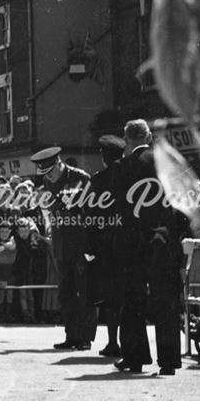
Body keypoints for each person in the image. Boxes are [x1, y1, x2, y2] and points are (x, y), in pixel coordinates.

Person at [112, 119, 183, 376]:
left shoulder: (122, 166)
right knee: (166, 298)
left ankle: (135, 356)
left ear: (125, 139)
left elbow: (117, 207)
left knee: (132, 299)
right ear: (149, 136)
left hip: (133, 240)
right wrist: (173, 231)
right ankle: (169, 360)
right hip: (163, 238)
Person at [33, 146, 96, 350]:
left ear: (59, 163)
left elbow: (92, 210)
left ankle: (85, 337)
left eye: (51, 171)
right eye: (45, 174)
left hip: (80, 241)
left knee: (84, 290)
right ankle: (71, 335)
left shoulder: (81, 178)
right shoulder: (46, 182)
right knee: (65, 292)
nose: (49, 177)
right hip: (61, 242)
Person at [86, 134, 126, 358]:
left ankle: (113, 341)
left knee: (110, 298)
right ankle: (128, 342)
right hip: (127, 242)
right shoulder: (130, 176)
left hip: (105, 246)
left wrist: (89, 246)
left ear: (104, 156)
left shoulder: (98, 180)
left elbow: (90, 215)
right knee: (126, 294)